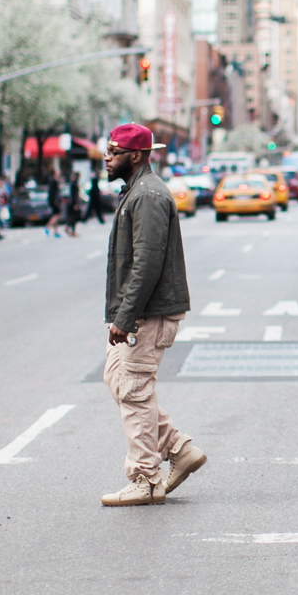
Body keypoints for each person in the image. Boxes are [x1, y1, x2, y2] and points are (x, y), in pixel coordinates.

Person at [99, 123, 205, 507]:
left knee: (134, 390)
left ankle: (144, 478)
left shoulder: (148, 195)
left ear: (138, 155)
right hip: (142, 312)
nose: (107, 158)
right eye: (107, 150)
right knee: (117, 377)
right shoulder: (138, 192)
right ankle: (178, 447)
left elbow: (146, 263)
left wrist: (125, 317)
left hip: (149, 314)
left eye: (115, 151)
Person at [44, 172, 66, 237]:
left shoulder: (55, 182)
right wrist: (55, 201)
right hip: (54, 201)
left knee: (56, 215)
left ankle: (56, 232)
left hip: (54, 201)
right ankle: (47, 227)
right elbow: (53, 193)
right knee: (57, 215)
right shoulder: (54, 182)